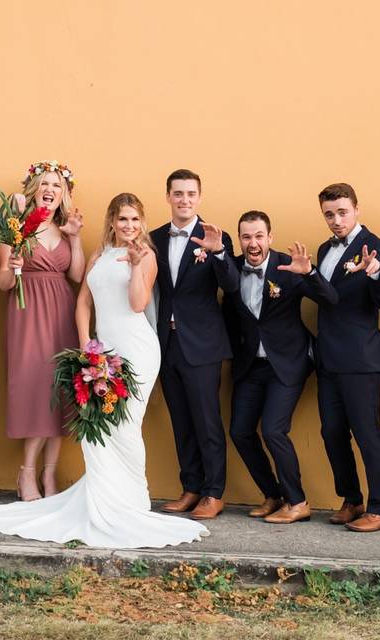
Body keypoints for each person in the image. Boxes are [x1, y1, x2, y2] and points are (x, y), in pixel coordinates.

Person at [0, 193, 209, 548]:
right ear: (112, 222)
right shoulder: (99, 255)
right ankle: (102, 497)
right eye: (122, 220)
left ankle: (131, 503)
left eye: (134, 220)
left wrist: (134, 268)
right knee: (99, 427)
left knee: (126, 425)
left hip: (137, 349)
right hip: (103, 349)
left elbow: (137, 304)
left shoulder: (146, 256)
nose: (129, 226)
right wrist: (88, 346)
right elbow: (83, 301)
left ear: (141, 223)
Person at [222, 211, 338, 524]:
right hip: (250, 367)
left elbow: (330, 298)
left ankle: (297, 501)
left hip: (287, 364)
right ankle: (273, 495)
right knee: (240, 431)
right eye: (246, 236)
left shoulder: (288, 268)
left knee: (274, 430)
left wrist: (309, 273)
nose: (253, 243)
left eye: (259, 236)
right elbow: (228, 316)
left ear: (270, 237)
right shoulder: (231, 268)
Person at [149, 169, 239, 520]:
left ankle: (214, 493)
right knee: (181, 421)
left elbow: (231, 286)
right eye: (178, 193)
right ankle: (191, 487)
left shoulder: (215, 236)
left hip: (203, 345)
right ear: (168, 196)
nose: (184, 199)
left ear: (199, 197)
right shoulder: (154, 237)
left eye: (190, 194)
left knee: (207, 421)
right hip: (166, 343)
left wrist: (218, 254)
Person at [313, 183, 380, 532]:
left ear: (356, 209)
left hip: (362, 359)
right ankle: (351, 499)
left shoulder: (376, 247)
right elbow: (329, 298)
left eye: (342, 212)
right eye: (329, 214)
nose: (336, 220)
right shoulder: (323, 249)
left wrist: (374, 272)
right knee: (332, 431)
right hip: (329, 357)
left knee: (367, 432)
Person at [0, 161, 84, 501]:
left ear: (64, 194)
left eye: (57, 185)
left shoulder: (66, 228)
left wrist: (75, 239)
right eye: (45, 183)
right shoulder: (15, 228)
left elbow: (76, 276)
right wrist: (15, 264)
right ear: (34, 188)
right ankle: (27, 473)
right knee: (35, 387)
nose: (50, 189)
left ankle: (50, 476)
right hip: (27, 309)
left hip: (62, 309)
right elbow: (4, 281)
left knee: (62, 389)